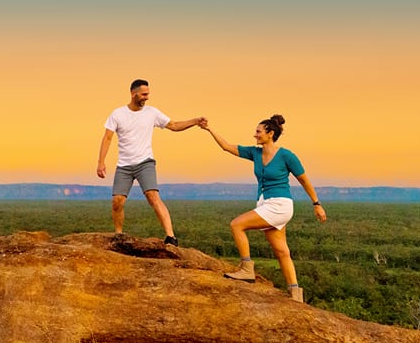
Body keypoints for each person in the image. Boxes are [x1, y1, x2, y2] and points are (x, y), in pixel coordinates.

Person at [202, 114, 327, 302]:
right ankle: (295, 293)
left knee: (237, 225)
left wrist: (316, 204)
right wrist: (209, 129)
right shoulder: (255, 153)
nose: (255, 135)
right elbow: (227, 147)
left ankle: (246, 268)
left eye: (258, 132)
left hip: (279, 205)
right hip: (265, 203)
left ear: (270, 133)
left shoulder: (286, 155)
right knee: (281, 251)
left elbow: (303, 179)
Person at [97, 79, 205, 245]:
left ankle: (171, 237)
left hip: (145, 162)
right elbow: (107, 138)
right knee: (117, 201)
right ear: (133, 94)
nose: (147, 97)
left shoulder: (152, 113)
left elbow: (174, 125)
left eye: (148, 94)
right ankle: (118, 235)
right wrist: (101, 162)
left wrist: (195, 121)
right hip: (124, 165)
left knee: (152, 196)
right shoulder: (117, 114)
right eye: (144, 94)